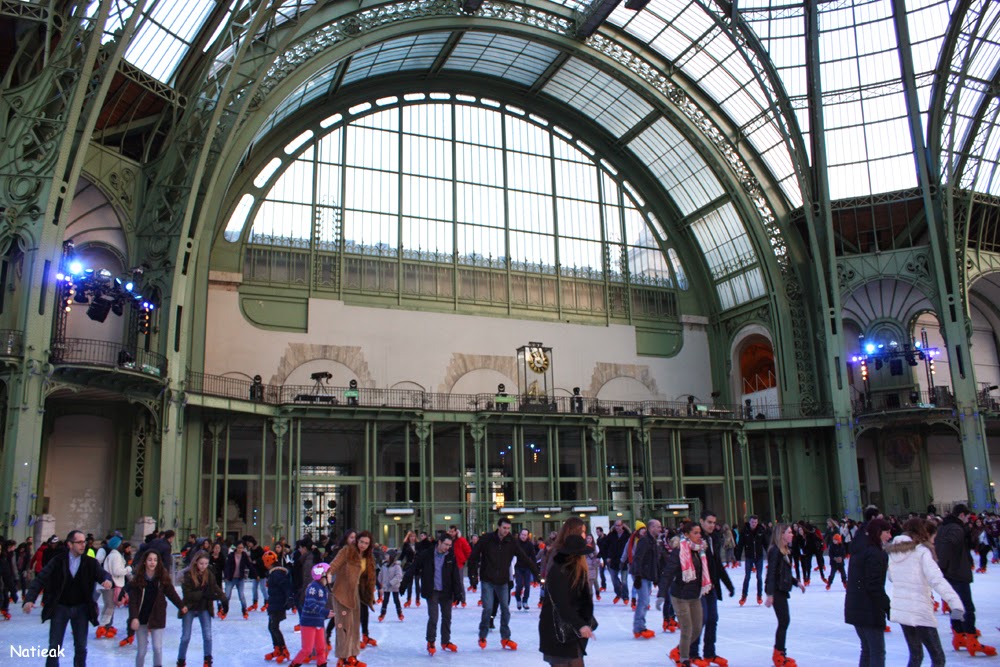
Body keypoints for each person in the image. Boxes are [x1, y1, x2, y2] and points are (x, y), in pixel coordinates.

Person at [22, 529, 113, 667]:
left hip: (81, 609)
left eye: (84, 542)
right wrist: (29, 599)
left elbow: (103, 574)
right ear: (70, 544)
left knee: (81, 647)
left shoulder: (90, 562)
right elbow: (40, 579)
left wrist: (107, 580)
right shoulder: (58, 561)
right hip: (60, 607)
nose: (83, 545)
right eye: (79, 542)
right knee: (54, 646)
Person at [886, 517, 964, 667]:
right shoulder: (921, 552)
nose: (934, 541)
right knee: (938, 657)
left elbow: (891, 577)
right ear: (925, 534)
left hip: (902, 610)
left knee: (916, 655)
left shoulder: (895, 552)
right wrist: (955, 604)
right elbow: (937, 580)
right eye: (933, 537)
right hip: (920, 610)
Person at [468, 517, 541, 650]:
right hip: (487, 579)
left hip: (503, 580)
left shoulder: (511, 541)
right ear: (498, 527)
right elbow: (473, 557)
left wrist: (537, 574)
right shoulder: (487, 539)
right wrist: (473, 576)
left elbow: (525, 558)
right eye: (504, 528)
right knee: (488, 608)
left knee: (505, 609)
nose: (506, 531)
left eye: (508, 528)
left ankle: (505, 638)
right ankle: (483, 634)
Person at [935, 503, 996, 656]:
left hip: (950, 572)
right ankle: (971, 637)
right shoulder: (956, 529)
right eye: (967, 517)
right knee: (967, 607)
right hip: (957, 572)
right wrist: (945, 565)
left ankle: (959, 634)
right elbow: (948, 547)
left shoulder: (943, 527)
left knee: (955, 606)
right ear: (961, 515)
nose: (969, 520)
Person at [539, 534, 598, 667]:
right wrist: (580, 624)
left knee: (576, 660)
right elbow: (561, 603)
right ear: (574, 556)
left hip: (571, 631)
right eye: (582, 555)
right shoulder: (559, 571)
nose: (584, 558)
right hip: (556, 630)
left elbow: (583, 601)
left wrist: (586, 621)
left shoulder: (577, 571)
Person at [658, 521, 710, 667]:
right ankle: (684, 660)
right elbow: (668, 573)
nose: (699, 535)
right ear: (686, 535)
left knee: (697, 628)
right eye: (695, 533)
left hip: (695, 596)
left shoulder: (700, 550)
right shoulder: (679, 551)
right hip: (680, 596)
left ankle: (680, 650)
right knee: (687, 628)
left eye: (700, 533)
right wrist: (661, 594)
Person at [402, 532, 462, 655]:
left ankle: (445, 641)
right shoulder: (427, 554)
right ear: (439, 542)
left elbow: (455, 575)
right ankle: (431, 641)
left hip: (446, 590)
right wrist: (404, 584)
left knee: (447, 617)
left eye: (449, 545)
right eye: (446, 544)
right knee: (434, 617)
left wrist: (458, 592)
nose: (447, 547)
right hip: (432, 590)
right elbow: (413, 568)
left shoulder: (450, 556)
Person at [687, 510, 734, 667]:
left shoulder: (714, 538)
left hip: (711, 587)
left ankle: (709, 653)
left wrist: (728, 584)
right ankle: (692, 653)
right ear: (701, 521)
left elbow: (716, 564)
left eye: (714, 522)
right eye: (709, 522)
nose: (712, 525)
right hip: (698, 587)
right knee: (701, 619)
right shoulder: (695, 539)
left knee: (713, 619)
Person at [845, 518, 892, 667]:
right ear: (878, 533)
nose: (890, 536)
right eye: (887, 532)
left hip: (855, 606)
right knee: (877, 651)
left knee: (867, 650)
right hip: (869, 609)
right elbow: (874, 586)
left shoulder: (859, 550)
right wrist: (888, 607)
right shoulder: (875, 554)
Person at [128, 550, 187, 667]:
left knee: (157, 648)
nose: (152, 563)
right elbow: (133, 602)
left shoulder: (162, 578)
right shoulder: (138, 580)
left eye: (155, 560)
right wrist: (134, 617)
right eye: (150, 560)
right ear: (144, 562)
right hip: (141, 618)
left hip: (157, 617)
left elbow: (171, 593)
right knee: (142, 651)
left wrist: (181, 606)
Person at [328, 529, 375, 665]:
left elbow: (369, 577)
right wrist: (326, 575)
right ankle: (342, 657)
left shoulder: (368, 557)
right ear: (357, 541)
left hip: (356, 594)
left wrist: (371, 592)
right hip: (342, 593)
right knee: (343, 627)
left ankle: (352, 656)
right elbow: (334, 565)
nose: (363, 545)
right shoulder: (347, 551)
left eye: (366, 543)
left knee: (354, 626)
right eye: (361, 542)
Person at [764, 524, 805, 667]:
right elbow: (771, 574)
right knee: (784, 621)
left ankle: (780, 654)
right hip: (777, 591)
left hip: (781, 590)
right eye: (789, 532)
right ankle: (779, 655)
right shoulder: (775, 551)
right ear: (782, 534)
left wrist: (797, 582)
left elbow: (784, 573)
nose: (792, 534)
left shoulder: (784, 551)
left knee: (784, 621)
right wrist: (770, 594)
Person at [178, 550, 227, 667]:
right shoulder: (188, 574)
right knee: (185, 637)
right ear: (196, 562)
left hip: (204, 607)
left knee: (208, 636)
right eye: (201, 563)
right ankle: (181, 661)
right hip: (189, 607)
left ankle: (207, 660)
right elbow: (188, 594)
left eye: (206, 563)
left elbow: (215, 587)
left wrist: (223, 598)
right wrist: (203, 594)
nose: (203, 566)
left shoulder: (209, 574)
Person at [289, 562, 334, 667]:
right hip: (308, 622)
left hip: (318, 621)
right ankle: (293, 665)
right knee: (307, 649)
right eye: (329, 574)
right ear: (322, 575)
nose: (331, 576)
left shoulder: (324, 588)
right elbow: (311, 604)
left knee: (321, 648)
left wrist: (329, 613)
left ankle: (322, 664)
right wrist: (324, 612)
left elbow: (322, 604)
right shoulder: (313, 587)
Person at [630, 518, 662, 640]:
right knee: (643, 601)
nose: (660, 529)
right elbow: (638, 558)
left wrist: (656, 577)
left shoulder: (653, 541)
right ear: (651, 528)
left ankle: (640, 626)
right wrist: (638, 576)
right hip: (641, 574)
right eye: (658, 527)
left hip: (647, 574)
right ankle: (639, 627)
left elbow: (654, 561)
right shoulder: (644, 541)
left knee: (646, 601)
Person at [262, 549, 292, 663]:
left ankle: (284, 650)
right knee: (271, 627)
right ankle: (277, 649)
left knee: (274, 627)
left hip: (278, 604)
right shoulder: (274, 573)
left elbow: (286, 587)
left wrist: (289, 599)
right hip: (274, 603)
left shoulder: (277, 574)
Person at [97, 536, 130, 639]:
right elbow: (116, 571)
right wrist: (128, 569)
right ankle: (103, 627)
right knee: (110, 606)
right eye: (121, 544)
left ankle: (105, 626)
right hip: (112, 584)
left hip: (108, 583)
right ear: (117, 545)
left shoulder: (112, 555)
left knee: (108, 606)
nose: (122, 546)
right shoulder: (115, 556)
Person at [735, 515, 767, 606]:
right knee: (747, 576)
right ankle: (744, 596)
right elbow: (740, 545)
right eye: (752, 522)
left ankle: (759, 595)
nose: (754, 524)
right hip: (749, 557)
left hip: (759, 557)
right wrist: (738, 558)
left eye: (755, 522)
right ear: (749, 522)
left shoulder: (761, 530)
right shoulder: (744, 531)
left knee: (759, 577)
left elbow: (765, 543)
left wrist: (770, 554)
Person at [222, 540, 255, 619]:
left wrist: (255, 574)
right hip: (230, 578)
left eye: (242, 548)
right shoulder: (231, 555)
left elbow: (249, 565)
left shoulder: (244, 555)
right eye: (239, 547)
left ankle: (244, 610)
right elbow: (227, 566)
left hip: (240, 579)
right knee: (227, 596)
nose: (240, 549)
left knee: (241, 595)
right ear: (236, 548)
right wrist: (226, 576)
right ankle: (225, 610)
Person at [603, 520, 631, 604]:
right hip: (613, 560)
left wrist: (629, 558)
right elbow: (605, 546)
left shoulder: (627, 535)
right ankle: (619, 593)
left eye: (619, 525)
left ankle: (625, 596)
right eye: (616, 525)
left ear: (622, 525)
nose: (617, 527)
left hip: (624, 560)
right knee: (614, 579)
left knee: (624, 581)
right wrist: (608, 556)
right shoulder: (611, 535)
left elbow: (630, 547)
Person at [514, 528, 539, 611]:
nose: (523, 536)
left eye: (525, 535)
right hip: (518, 567)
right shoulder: (516, 544)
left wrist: (534, 568)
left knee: (527, 586)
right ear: (519, 535)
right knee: (519, 584)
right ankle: (518, 598)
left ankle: (525, 601)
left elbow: (533, 556)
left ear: (528, 536)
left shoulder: (530, 545)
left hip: (527, 567)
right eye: (522, 534)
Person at [377, 549, 404, 622]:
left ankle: (400, 613)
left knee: (396, 600)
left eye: (387, 555)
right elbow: (381, 574)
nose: (385, 556)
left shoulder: (396, 566)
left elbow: (398, 576)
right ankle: (382, 614)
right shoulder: (384, 565)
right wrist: (379, 583)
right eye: (386, 555)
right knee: (385, 600)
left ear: (391, 556)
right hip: (386, 586)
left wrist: (391, 583)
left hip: (394, 586)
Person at [448, 526, 471, 608]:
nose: (451, 533)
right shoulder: (447, 540)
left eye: (452, 531)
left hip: (458, 563)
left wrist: (463, 560)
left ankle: (462, 599)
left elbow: (468, 550)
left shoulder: (461, 540)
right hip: (449, 564)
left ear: (456, 532)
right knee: (450, 582)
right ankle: (453, 599)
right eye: (450, 531)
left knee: (460, 582)